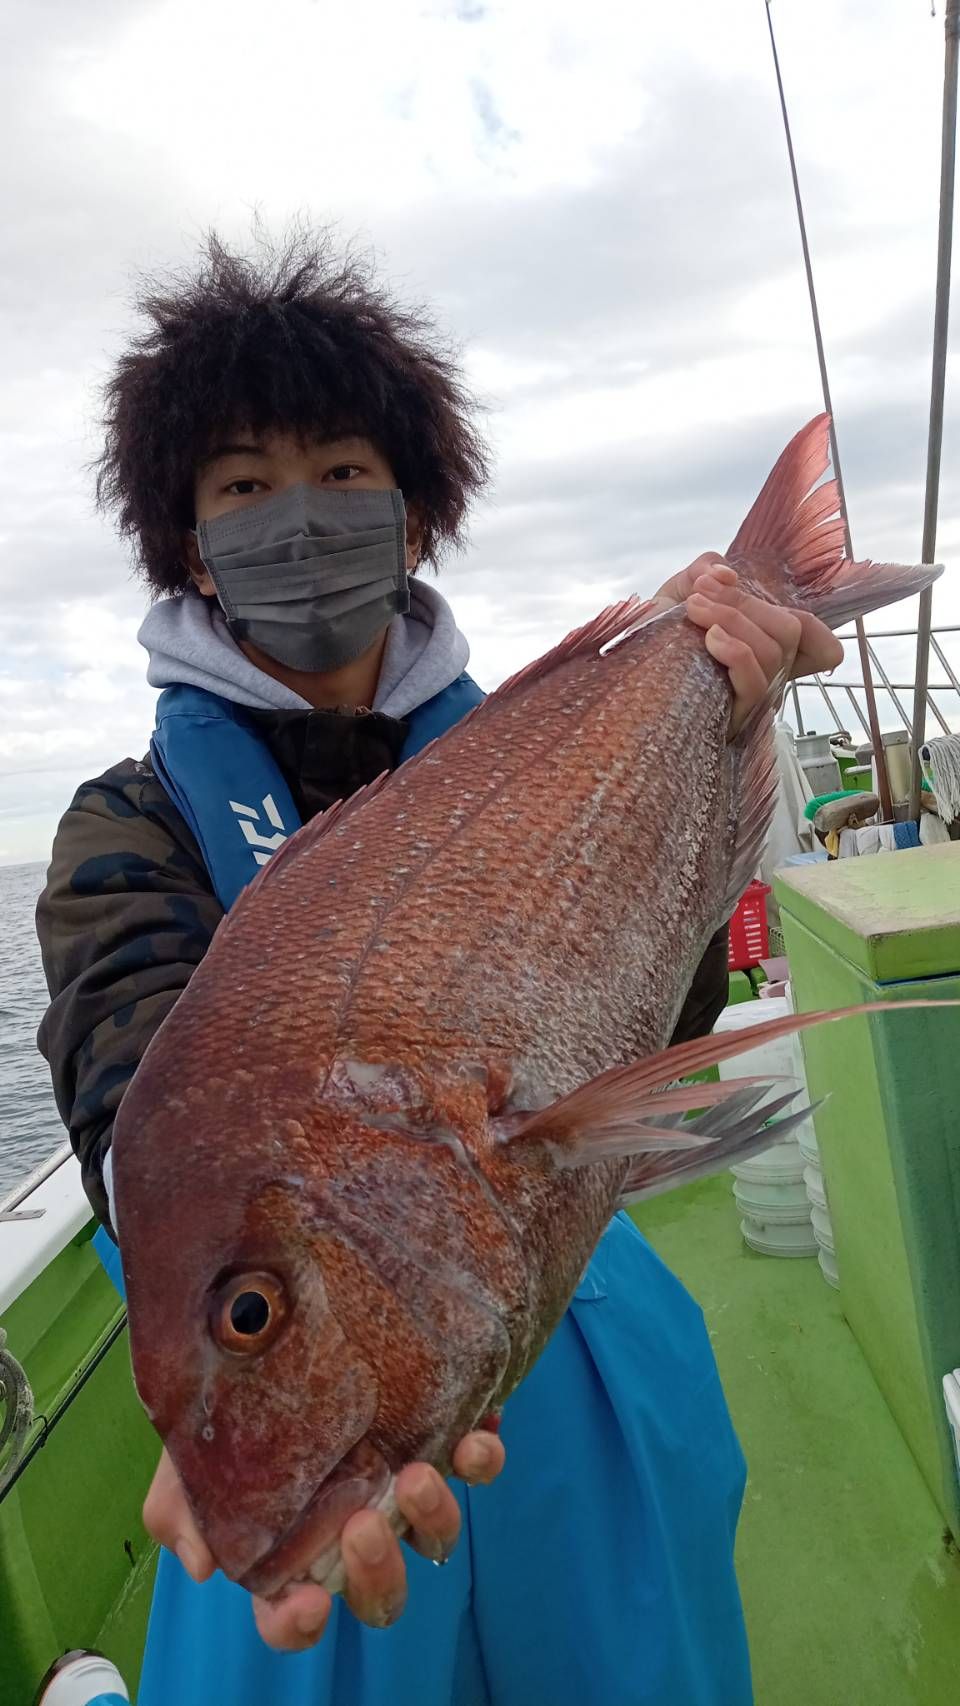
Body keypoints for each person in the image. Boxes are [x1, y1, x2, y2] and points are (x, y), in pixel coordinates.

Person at [35, 228, 841, 1705]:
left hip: (589, 1350)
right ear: (189, 542)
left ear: (415, 517)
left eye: (343, 471)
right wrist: (238, 1362)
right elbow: (127, 1087)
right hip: (330, 1454)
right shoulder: (128, 826)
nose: (298, 514)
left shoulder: (532, 744)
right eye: (241, 486)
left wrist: (731, 713)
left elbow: (668, 1014)